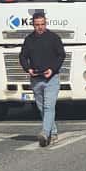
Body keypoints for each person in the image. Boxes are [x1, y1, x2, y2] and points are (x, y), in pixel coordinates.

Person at [19, 12, 66, 147]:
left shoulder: (53, 38)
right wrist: (28, 69)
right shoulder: (29, 40)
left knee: (49, 106)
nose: (40, 27)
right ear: (33, 25)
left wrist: (52, 69)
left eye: (42, 24)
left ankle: (45, 133)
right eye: (37, 25)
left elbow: (61, 55)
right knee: (42, 108)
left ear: (46, 23)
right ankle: (54, 132)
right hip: (36, 80)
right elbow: (22, 56)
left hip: (51, 79)